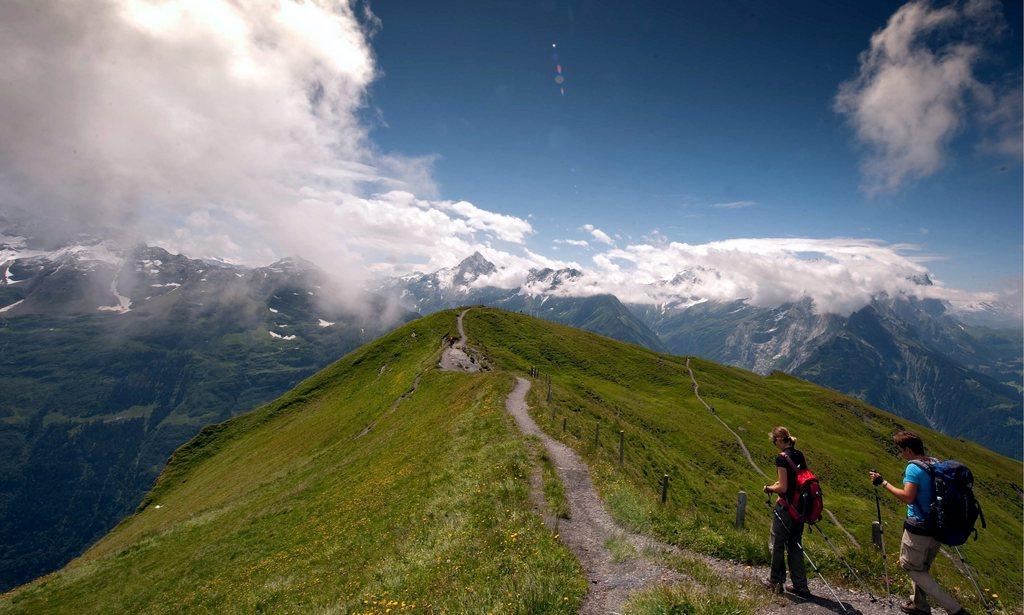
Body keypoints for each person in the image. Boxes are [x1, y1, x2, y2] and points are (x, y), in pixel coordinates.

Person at [868, 431, 967, 615]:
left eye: (901, 450)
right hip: (937, 528)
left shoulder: (913, 468)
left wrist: (883, 483)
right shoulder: (934, 462)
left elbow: (908, 497)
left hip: (918, 528)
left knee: (909, 566)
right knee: (922, 569)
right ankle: (919, 605)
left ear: (907, 449)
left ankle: (955, 609)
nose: (901, 454)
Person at [762, 426, 810, 597]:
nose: (774, 444)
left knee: (777, 544)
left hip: (786, 508)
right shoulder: (799, 455)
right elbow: (797, 481)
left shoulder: (782, 458)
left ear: (780, 440)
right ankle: (800, 585)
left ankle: (775, 582)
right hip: (800, 509)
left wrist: (769, 488)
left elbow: (783, 486)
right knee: (795, 545)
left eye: (774, 441)